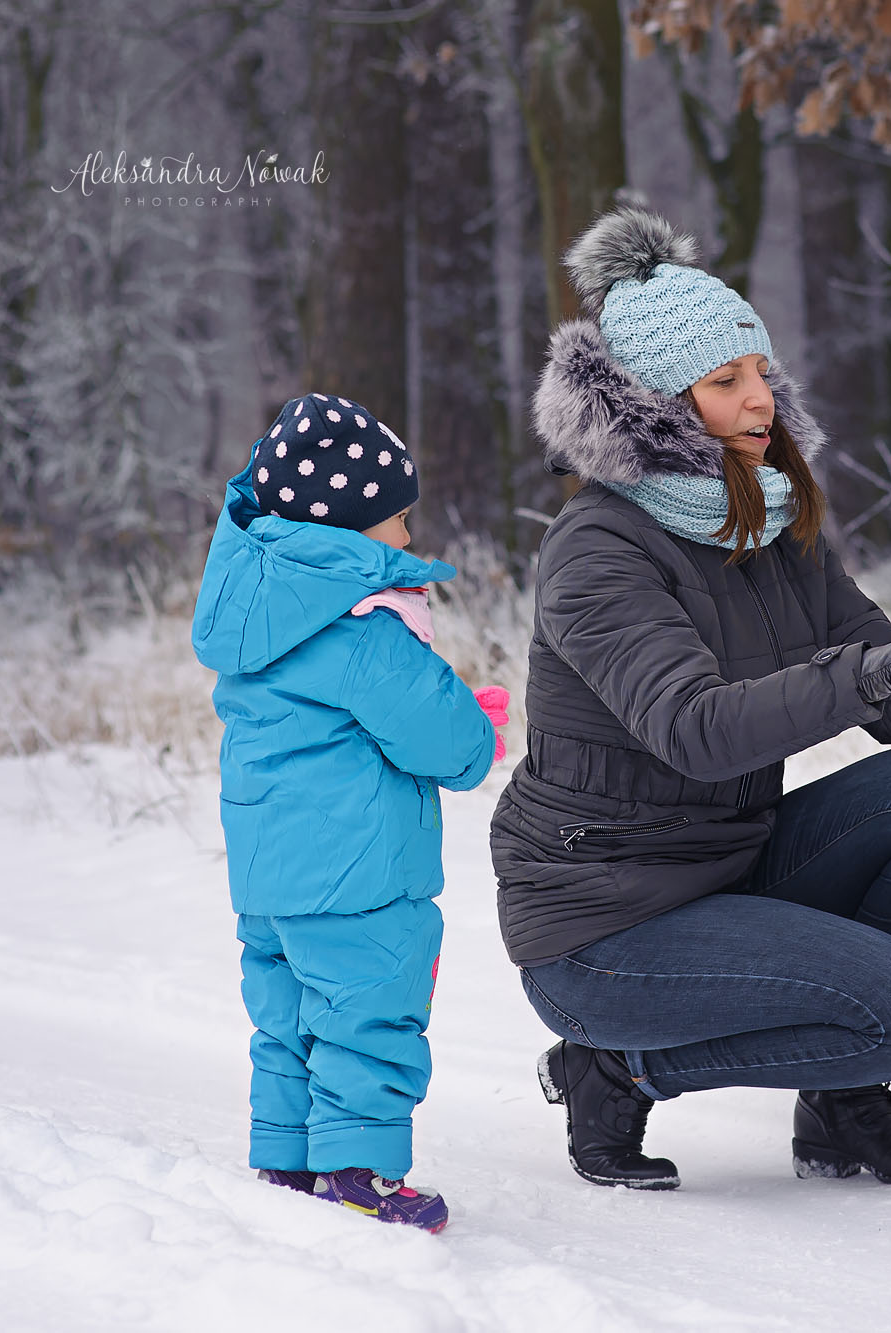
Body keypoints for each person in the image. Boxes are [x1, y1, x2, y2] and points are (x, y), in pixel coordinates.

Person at [492, 207, 891, 1190]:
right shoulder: (597, 551)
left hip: (723, 867)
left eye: (761, 372)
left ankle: (839, 1109)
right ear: (659, 404)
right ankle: (616, 1067)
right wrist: (868, 675)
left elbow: (881, 679)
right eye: (726, 382)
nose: (759, 397)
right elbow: (695, 729)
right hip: (604, 924)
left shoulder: (766, 524)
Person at [192, 394, 509, 1230]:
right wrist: (474, 721)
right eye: (400, 520)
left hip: (269, 876)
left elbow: (321, 720)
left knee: (287, 1016)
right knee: (369, 1012)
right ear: (353, 530)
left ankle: (287, 1155)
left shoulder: (258, 615)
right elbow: (454, 749)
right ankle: (360, 1168)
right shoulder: (366, 629)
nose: (407, 538)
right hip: (357, 874)